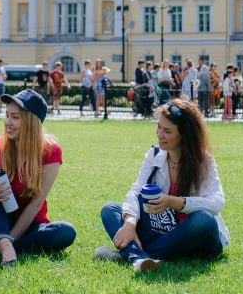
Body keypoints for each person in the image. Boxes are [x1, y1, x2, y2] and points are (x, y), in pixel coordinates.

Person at [95, 98, 229, 272]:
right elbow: (136, 190)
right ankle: (142, 259)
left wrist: (174, 202)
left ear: (184, 136)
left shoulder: (203, 161)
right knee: (110, 209)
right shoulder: (154, 154)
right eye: (159, 127)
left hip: (194, 236)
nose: (159, 134)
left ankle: (133, 255)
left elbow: (217, 202)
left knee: (204, 219)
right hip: (162, 230)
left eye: (167, 131)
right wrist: (130, 222)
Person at [0, 89, 76, 266]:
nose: (7, 122)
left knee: (66, 232)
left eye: (15, 117)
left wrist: (11, 238)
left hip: (29, 225)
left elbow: (36, 204)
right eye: (6, 115)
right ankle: (5, 245)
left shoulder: (51, 151)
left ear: (31, 122)